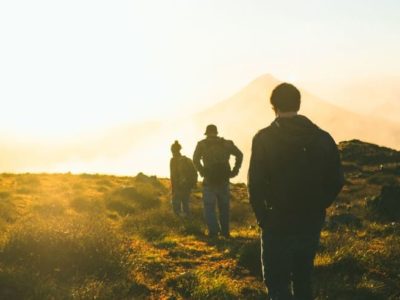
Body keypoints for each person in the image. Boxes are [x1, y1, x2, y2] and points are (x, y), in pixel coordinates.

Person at [248, 83, 344, 300]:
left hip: (276, 221)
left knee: (277, 282)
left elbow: (255, 184)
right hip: (310, 220)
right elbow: (337, 179)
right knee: (303, 278)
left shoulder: (263, 138)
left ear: (273, 106)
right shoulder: (322, 138)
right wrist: (319, 206)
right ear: (299, 104)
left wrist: (263, 217)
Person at [193, 124, 243, 238]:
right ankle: (225, 232)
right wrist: (235, 170)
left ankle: (214, 232)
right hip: (224, 180)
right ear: (216, 132)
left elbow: (195, 160)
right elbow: (239, 155)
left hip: (209, 180)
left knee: (209, 207)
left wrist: (202, 172)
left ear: (207, 133)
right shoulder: (227, 143)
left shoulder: (201, 144)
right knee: (224, 208)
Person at [170, 140, 197, 217]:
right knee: (186, 204)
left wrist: (173, 189)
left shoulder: (173, 160)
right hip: (187, 186)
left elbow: (173, 175)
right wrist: (193, 184)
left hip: (178, 186)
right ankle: (188, 222)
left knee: (176, 208)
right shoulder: (187, 160)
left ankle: (180, 223)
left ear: (172, 150)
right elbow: (194, 172)